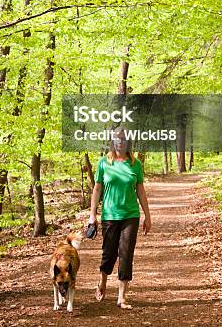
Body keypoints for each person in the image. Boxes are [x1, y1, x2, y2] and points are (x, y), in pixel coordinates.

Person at [88, 127, 151, 309]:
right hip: (109, 215)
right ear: (112, 141)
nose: (120, 142)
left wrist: (147, 216)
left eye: (123, 139)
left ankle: (122, 296)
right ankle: (103, 281)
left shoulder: (135, 164)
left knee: (126, 254)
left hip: (130, 215)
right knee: (109, 254)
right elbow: (97, 189)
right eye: (116, 139)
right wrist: (93, 215)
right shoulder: (103, 163)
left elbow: (140, 190)